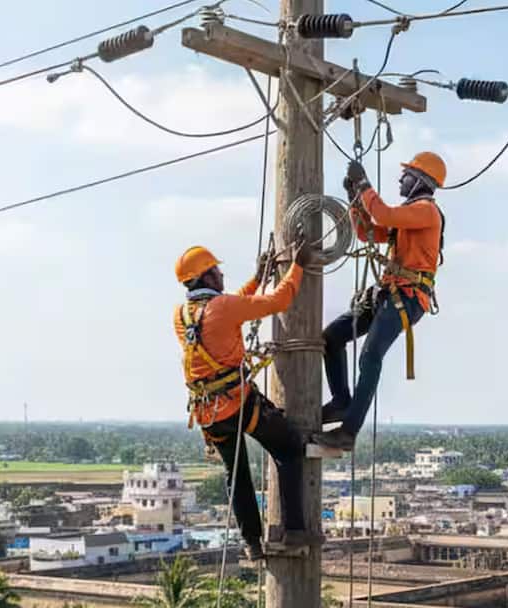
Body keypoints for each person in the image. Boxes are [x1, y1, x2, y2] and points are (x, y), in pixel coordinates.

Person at [173, 242, 314, 560]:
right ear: (207, 278)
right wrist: (298, 265)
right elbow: (280, 300)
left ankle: (252, 542)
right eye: (216, 270)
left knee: (235, 472)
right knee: (289, 447)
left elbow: (231, 304)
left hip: (208, 412)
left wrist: (257, 277)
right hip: (237, 403)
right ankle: (294, 532)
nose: (221, 273)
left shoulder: (182, 315)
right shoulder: (222, 308)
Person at [313, 152, 447, 451]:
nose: (401, 179)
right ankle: (340, 401)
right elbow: (367, 232)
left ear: (421, 181)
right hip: (388, 293)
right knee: (331, 337)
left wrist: (364, 185)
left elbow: (383, 215)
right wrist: (355, 199)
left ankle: (348, 432)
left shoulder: (426, 211)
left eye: (407, 174)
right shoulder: (409, 213)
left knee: (370, 356)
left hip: (408, 298)